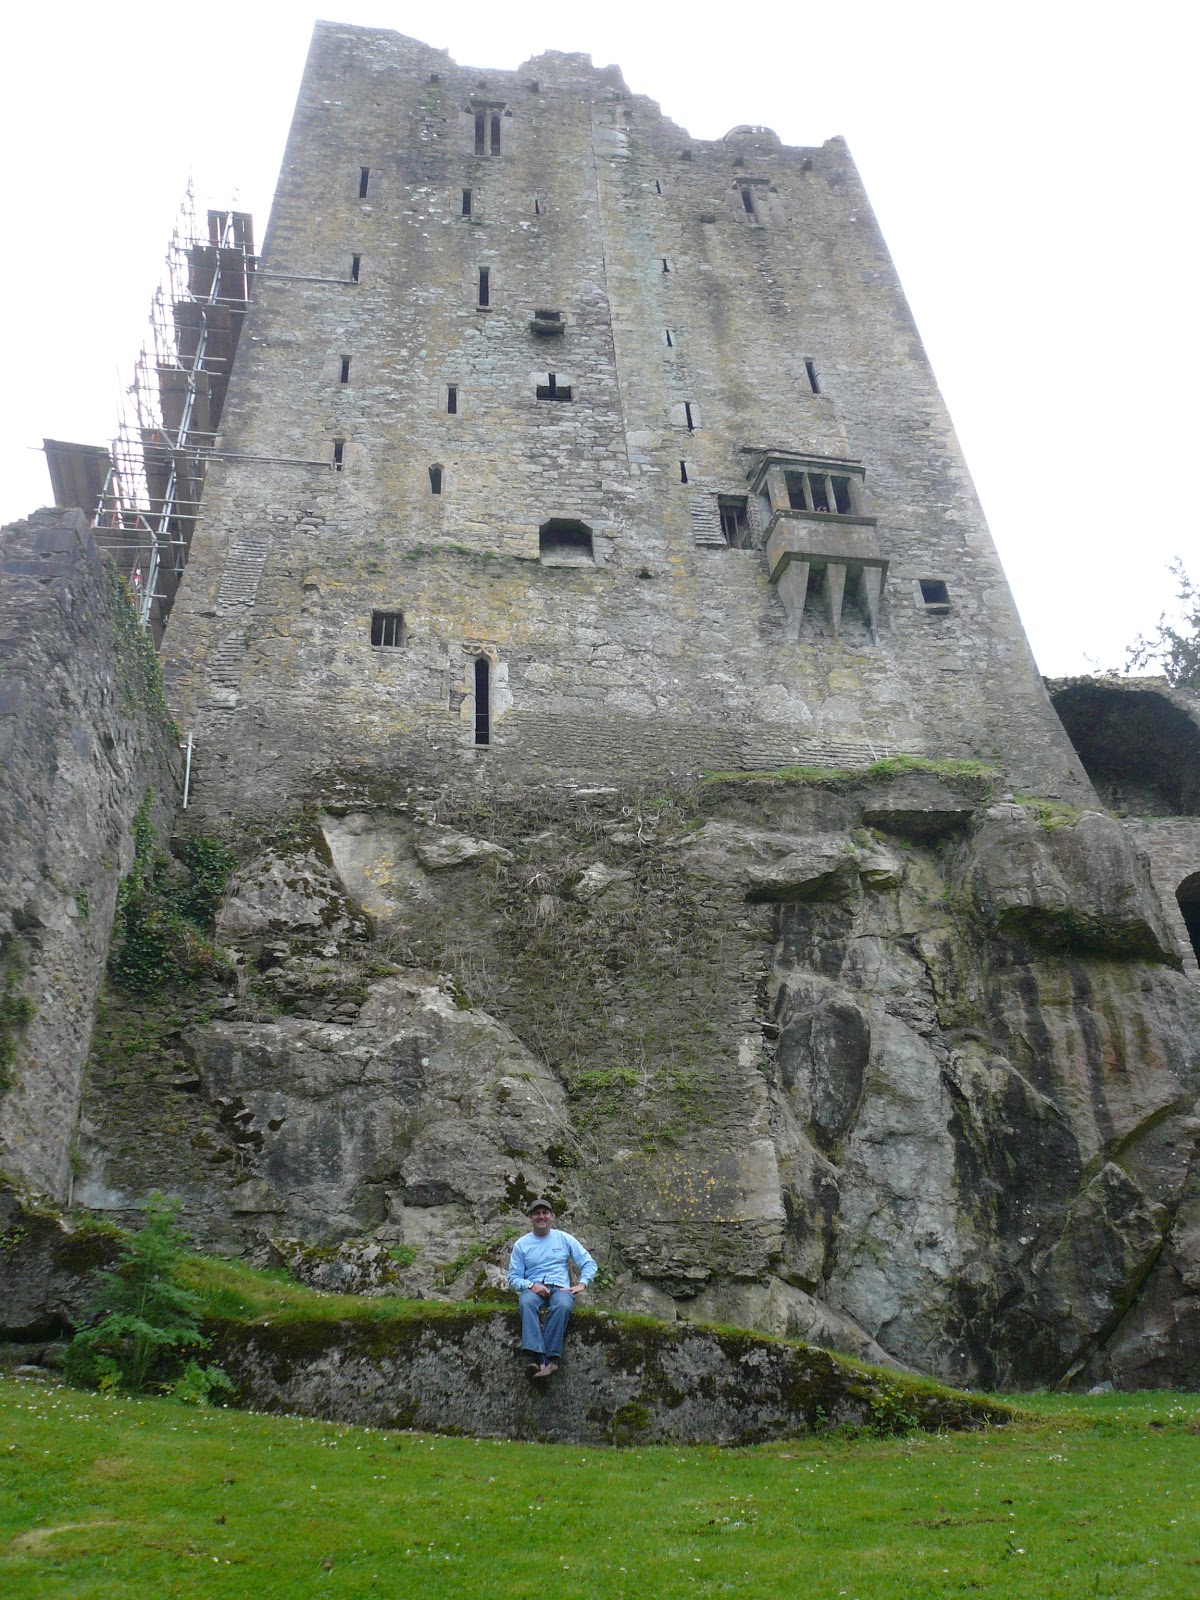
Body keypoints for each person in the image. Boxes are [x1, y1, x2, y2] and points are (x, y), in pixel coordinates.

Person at [507, 1200, 597, 1381]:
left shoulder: (564, 1239)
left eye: (545, 1213)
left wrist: (582, 1283)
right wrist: (532, 1286)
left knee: (563, 1305)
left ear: (552, 1216)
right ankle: (538, 1358)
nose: (541, 1217)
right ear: (531, 1218)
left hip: (560, 1287)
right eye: (537, 1213)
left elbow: (588, 1263)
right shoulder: (521, 1244)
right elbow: (513, 1279)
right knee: (526, 1302)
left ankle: (548, 1359)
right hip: (533, 1288)